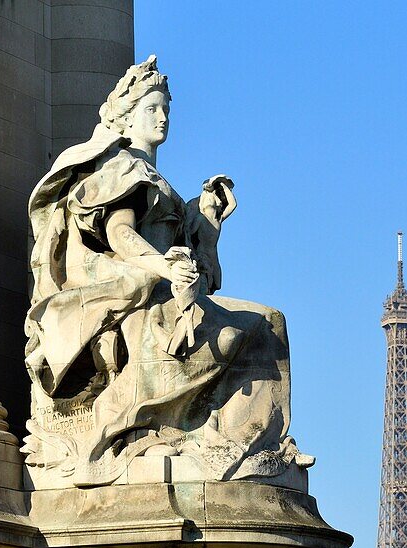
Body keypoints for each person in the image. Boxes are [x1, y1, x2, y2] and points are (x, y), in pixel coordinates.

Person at [24, 55, 312, 488]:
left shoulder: (158, 180)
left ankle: (246, 440)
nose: (162, 118)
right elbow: (121, 235)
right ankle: (140, 435)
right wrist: (164, 266)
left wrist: (207, 220)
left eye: (166, 110)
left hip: (170, 288)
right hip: (143, 292)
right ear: (127, 118)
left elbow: (201, 264)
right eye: (152, 109)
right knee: (265, 325)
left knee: (271, 322)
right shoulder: (124, 169)